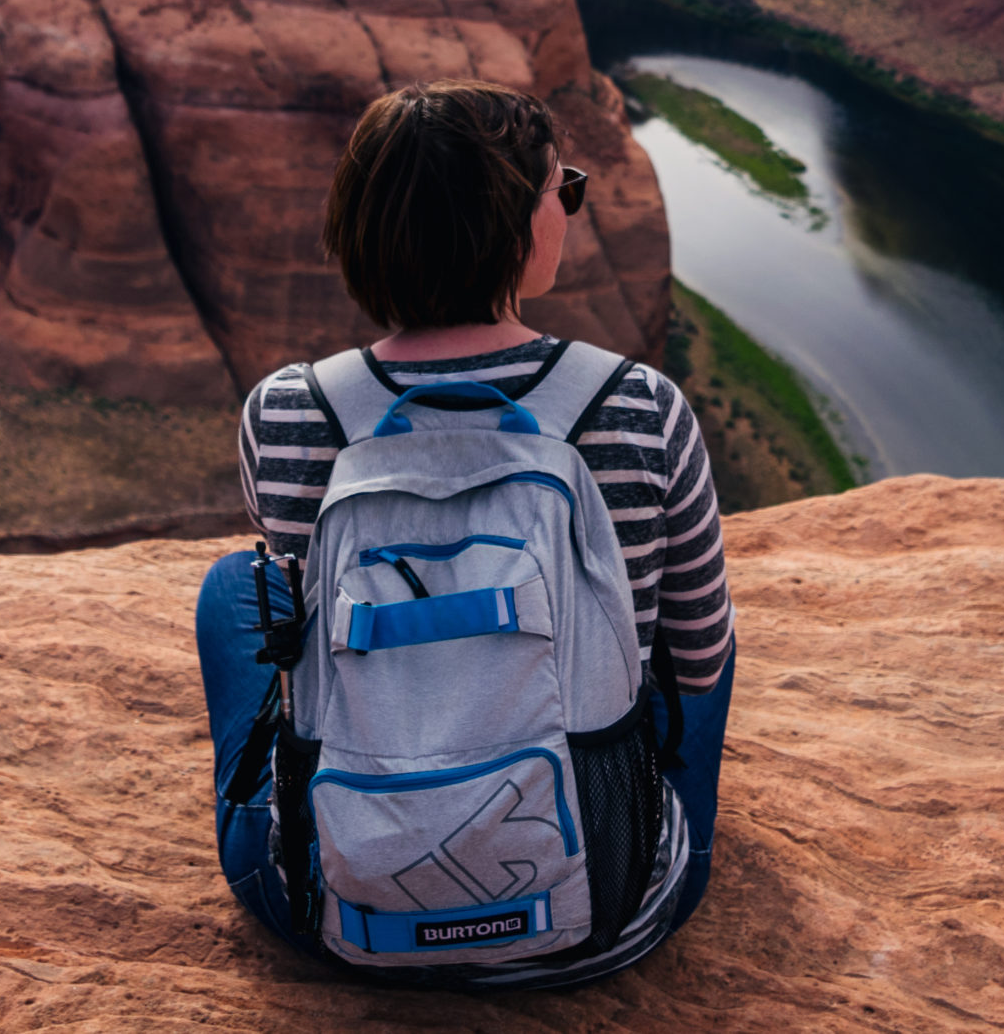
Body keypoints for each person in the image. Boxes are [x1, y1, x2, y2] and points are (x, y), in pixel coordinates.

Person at [196, 78, 735, 987]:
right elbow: (701, 660)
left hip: (340, 918)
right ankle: (661, 839)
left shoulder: (285, 412)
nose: (570, 202)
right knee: (695, 643)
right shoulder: (641, 407)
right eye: (560, 187)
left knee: (231, 590)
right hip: (609, 915)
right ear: (519, 230)